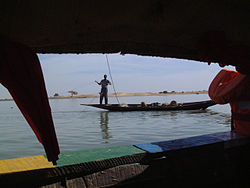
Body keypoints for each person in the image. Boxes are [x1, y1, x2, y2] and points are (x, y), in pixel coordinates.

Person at [208, 68, 250, 136]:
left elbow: (217, 96)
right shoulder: (241, 81)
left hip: (244, 131)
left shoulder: (242, 81)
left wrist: (227, 74)